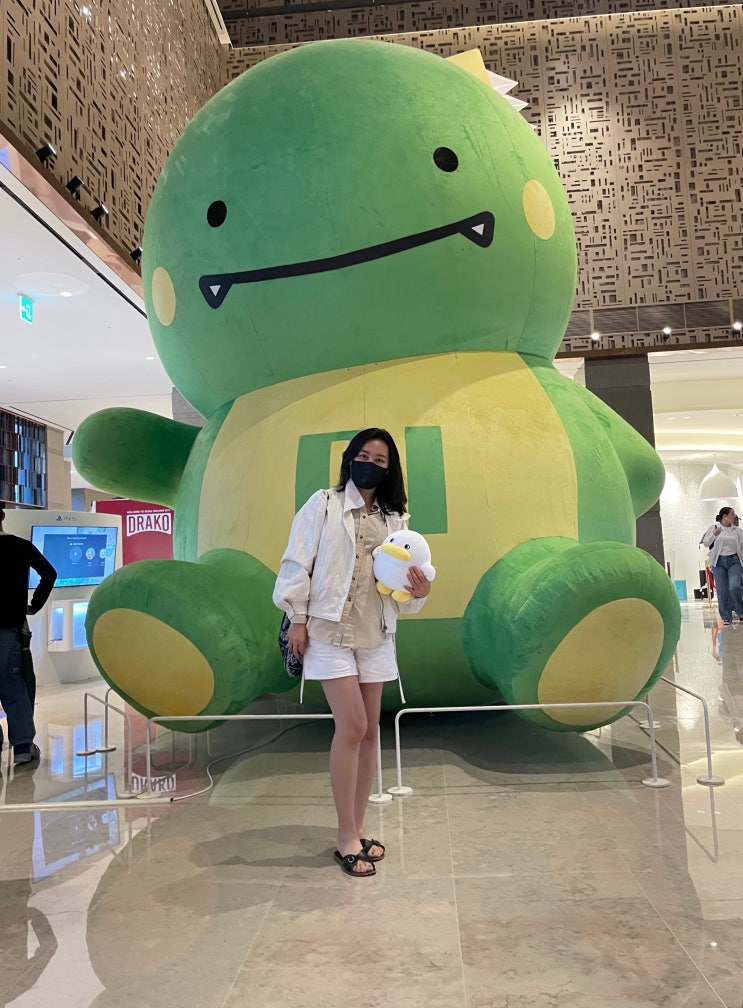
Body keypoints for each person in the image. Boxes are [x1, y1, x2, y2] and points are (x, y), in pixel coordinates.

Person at [273, 428, 431, 877]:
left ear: (390, 469)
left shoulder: (397, 519)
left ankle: (359, 829)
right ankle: (345, 835)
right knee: (353, 724)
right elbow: (297, 562)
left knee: (369, 731)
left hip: (376, 634)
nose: (370, 464)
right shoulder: (323, 504)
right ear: (349, 459)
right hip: (328, 631)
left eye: (380, 460)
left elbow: (403, 590)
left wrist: (420, 591)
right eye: (363, 455)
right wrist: (297, 617)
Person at [0, 508, 57, 763]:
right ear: (2, 516)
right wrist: (33, 605)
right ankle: (23, 748)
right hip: (10, 628)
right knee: (14, 685)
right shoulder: (20, 547)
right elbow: (49, 573)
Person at [700, 506, 743, 626]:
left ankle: (740, 610)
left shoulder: (737, 531)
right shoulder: (714, 528)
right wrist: (714, 535)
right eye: (732, 514)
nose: (734, 516)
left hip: (734, 561)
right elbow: (706, 543)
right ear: (725, 516)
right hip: (718, 562)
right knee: (722, 590)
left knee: (734, 586)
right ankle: (726, 616)